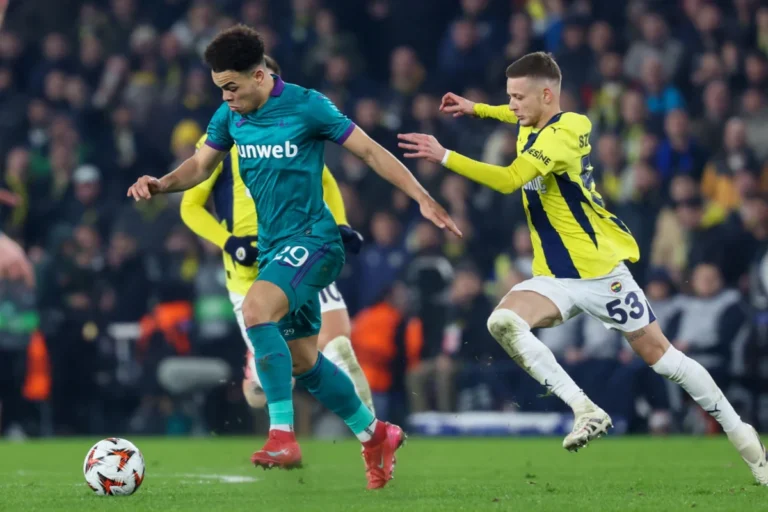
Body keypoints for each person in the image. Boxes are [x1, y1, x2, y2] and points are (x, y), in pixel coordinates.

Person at [397, 51, 767, 486]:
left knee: (665, 360)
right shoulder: (529, 119)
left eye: (518, 97)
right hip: (555, 278)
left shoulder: (565, 132)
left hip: (601, 276)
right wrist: (476, 108)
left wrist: (445, 156)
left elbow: (509, 180)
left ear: (547, 95)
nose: (512, 106)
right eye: (509, 97)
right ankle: (585, 409)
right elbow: (510, 113)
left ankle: (743, 437)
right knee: (503, 322)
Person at [128, 25, 460, 490]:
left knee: (256, 309)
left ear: (259, 75)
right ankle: (376, 435)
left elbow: (369, 152)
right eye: (220, 88)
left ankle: (282, 436)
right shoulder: (229, 117)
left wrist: (422, 197)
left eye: (231, 86)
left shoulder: (308, 106)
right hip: (273, 251)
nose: (226, 97)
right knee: (304, 361)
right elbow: (200, 167)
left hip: (316, 241)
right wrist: (161, 183)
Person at [180, 55, 374, 414]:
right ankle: (263, 374)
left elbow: (327, 182)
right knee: (268, 386)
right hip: (249, 270)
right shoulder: (221, 136)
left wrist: (341, 224)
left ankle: (371, 431)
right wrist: (230, 243)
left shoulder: (295, 127)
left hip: (302, 249)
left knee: (337, 343)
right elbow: (189, 206)